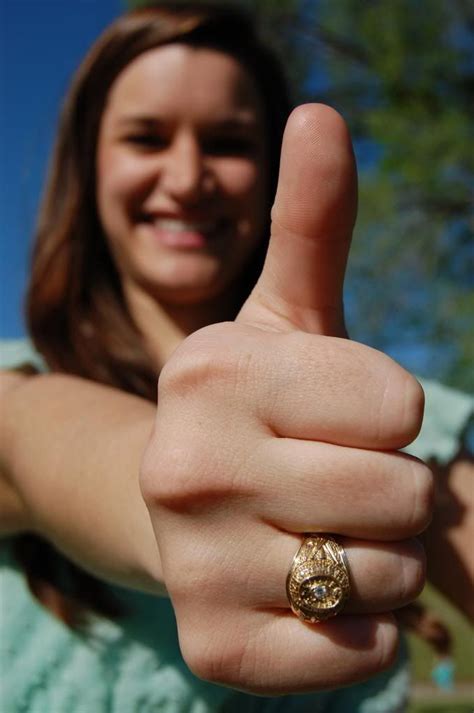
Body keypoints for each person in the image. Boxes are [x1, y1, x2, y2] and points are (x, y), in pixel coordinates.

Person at [0, 3, 472, 712]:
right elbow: (42, 445)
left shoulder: (389, 423)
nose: (188, 178)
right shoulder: (15, 387)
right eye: (146, 137)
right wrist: (171, 497)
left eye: (227, 141)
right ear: (88, 163)